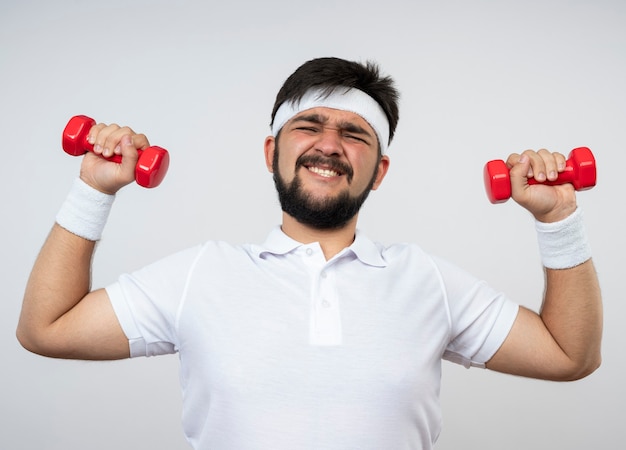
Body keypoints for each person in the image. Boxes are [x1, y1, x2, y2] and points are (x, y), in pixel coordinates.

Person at [17, 57, 602, 449]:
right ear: (272, 149)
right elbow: (47, 329)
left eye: (355, 134)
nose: (329, 144)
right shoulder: (203, 274)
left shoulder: (425, 282)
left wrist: (558, 220)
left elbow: (567, 356)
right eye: (310, 125)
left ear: (380, 171)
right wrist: (92, 188)